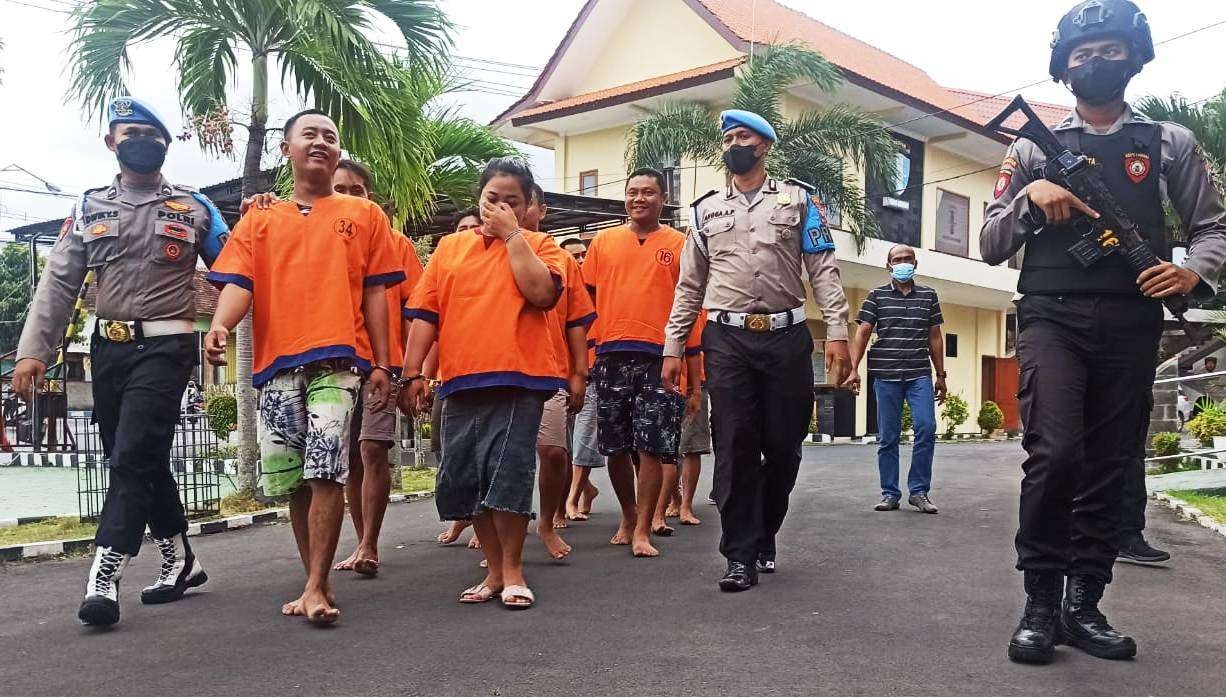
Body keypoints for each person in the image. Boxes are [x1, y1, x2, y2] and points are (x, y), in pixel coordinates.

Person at [982, 0, 1226, 663]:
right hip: (1051, 314)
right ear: (1064, 68)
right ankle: (1039, 601)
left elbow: (1212, 227)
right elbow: (989, 241)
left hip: (1130, 318)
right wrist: (1031, 201)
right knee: (1057, 452)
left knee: (1109, 463)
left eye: (1113, 49)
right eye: (1084, 54)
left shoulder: (1168, 141)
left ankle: (1084, 603)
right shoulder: (1032, 144)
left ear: (1136, 57)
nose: (1097, 62)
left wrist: (1190, 274)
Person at [11, 97, 229, 626]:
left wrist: (225, 321)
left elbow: (236, 272)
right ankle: (181, 560)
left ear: (167, 144)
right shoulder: (88, 208)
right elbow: (58, 282)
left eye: (152, 134)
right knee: (138, 456)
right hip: (107, 349)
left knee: (131, 455)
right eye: (130, 132)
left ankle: (103, 574)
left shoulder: (196, 207)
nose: (141, 141)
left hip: (168, 346)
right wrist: (33, 352)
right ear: (111, 142)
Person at [205, 110, 403, 625]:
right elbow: (238, 282)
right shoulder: (260, 218)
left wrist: (383, 362)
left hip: (339, 360)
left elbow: (377, 292)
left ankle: (316, 586)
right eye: (309, 135)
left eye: (330, 137)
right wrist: (221, 325)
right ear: (287, 148)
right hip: (275, 366)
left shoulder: (366, 216)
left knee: (326, 469)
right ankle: (315, 578)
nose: (321, 142)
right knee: (292, 478)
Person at [664, 109, 852, 592]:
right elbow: (690, 285)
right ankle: (739, 554)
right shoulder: (705, 210)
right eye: (727, 138)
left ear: (764, 145)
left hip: (787, 338)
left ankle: (765, 530)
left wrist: (837, 331)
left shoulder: (799, 200)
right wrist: (673, 344)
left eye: (742, 136)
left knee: (784, 448)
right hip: (726, 340)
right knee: (735, 444)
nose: (733, 144)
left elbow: (823, 268)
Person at [401, 157, 570, 609]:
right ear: (478, 199)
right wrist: (412, 371)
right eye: (492, 199)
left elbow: (541, 293)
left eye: (511, 202)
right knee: (467, 477)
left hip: (520, 377)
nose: (499, 208)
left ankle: (514, 570)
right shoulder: (450, 249)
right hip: (459, 379)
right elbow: (426, 315)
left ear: (529, 204)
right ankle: (494, 572)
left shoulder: (543, 246)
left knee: (508, 473)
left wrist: (513, 235)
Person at [583, 169, 687, 558]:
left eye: (648, 192)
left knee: (650, 446)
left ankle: (643, 528)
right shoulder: (603, 242)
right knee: (615, 446)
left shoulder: (679, 244)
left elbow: (690, 307)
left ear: (663, 198)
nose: (639, 198)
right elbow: (584, 304)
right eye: (632, 192)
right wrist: (585, 359)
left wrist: (690, 366)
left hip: (659, 357)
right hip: (609, 355)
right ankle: (627, 515)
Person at [843, 245, 947, 514]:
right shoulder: (876, 296)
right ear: (888, 265)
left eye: (907, 259)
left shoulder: (928, 295)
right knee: (888, 437)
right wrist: (854, 369)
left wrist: (941, 374)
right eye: (897, 260)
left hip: (918, 375)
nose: (902, 263)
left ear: (916, 263)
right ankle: (890, 493)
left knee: (926, 428)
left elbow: (935, 336)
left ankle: (919, 491)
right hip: (886, 375)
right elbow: (862, 333)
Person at [526, 185, 596, 558]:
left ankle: (547, 521)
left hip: (550, 373)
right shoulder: (482, 251)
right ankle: (503, 532)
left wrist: (579, 374)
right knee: (507, 456)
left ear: (540, 209)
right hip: (502, 373)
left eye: (521, 202)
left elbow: (576, 323)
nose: (511, 210)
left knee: (554, 453)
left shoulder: (560, 259)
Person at [434, 208, 483, 548]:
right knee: (446, 448)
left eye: (473, 227)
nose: (467, 233)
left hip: (489, 378)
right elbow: (431, 328)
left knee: (485, 454)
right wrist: (420, 375)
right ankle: (462, 516)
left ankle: (484, 526)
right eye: (461, 228)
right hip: (448, 378)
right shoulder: (445, 270)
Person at [563, 237, 603, 521]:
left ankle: (572, 498)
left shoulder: (598, 290)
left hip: (591, 373)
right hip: (558, 377)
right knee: (560, 445)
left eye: (582, 255)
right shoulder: (556, 289)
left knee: (583, 436)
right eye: (573, 256)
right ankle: (587, 489)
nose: (579, 260)